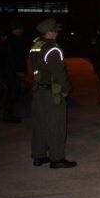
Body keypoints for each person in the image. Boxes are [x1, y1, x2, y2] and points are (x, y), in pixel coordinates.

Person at [29, 18, 77, 168]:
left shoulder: (36, 45)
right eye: (55, 30)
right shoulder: (52, 49)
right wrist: (66, 88)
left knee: (39, 124)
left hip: (38, 91)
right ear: (48, 32)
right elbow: (59, 73)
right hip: (52, 93)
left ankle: (39, 156)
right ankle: (57, 159)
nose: (57, 33)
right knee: (56, 125)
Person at [1, 19, 27, 123]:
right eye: (20, 29)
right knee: (11, 93)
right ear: (16, 29)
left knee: (12, 93)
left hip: (11, 71)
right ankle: (8, 116)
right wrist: (18, 70)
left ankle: (9, 114)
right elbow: (12, 57)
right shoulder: (12, 40)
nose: (22, 31)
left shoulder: (12, 39)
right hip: (12, 72)